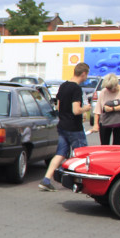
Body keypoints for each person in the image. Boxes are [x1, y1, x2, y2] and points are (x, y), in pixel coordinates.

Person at [39, 62, 94, 191]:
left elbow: (58, 106)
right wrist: (84, 109)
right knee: (81, 154)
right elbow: (75, 110)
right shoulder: (76, 88)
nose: (86, 78)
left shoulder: (63, 86)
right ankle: (80, 181)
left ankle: (46, 179)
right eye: (87, 75)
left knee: (61, 153)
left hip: (62, 125)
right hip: (74, 127)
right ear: (83, 74)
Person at [93, 73, 120, 146]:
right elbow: (97, 109)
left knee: (117, 145)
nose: (108, 89)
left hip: (119, 122)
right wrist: (96, 124)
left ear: (116, 85)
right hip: (105, 122)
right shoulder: (103, 92)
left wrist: (112, 109)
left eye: (110, 88)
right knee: (104, 145)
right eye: (107, 87)